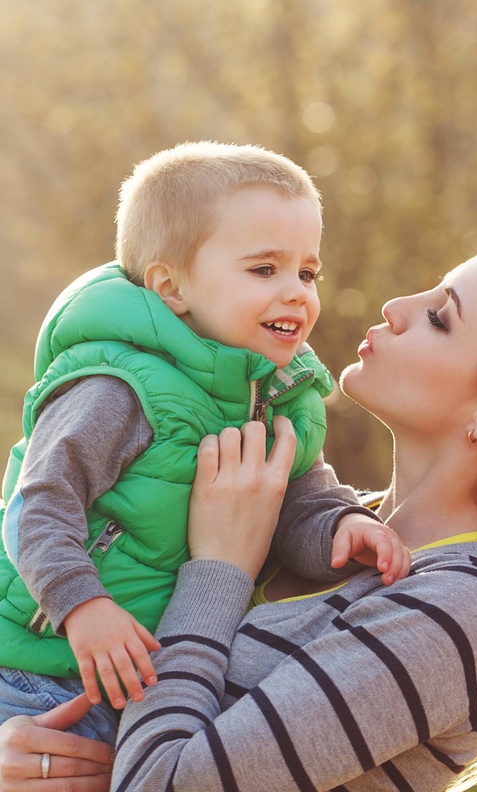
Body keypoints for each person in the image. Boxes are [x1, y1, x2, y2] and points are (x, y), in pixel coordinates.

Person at [0, 203, 477, 791]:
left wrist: (219, 570)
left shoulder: (460, 611)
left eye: (441, 318)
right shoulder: (344, 534)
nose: (395, 308)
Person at [0, 142, 404, 737]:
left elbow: (301, 500)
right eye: (265, 269)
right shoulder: (119, 387)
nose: (297, 291)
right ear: (172, 288)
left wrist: (341, 528)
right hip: (37, 671)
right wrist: (83, 606)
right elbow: (37, 504)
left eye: (308, 272)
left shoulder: (283, 395)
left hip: (155, 675)